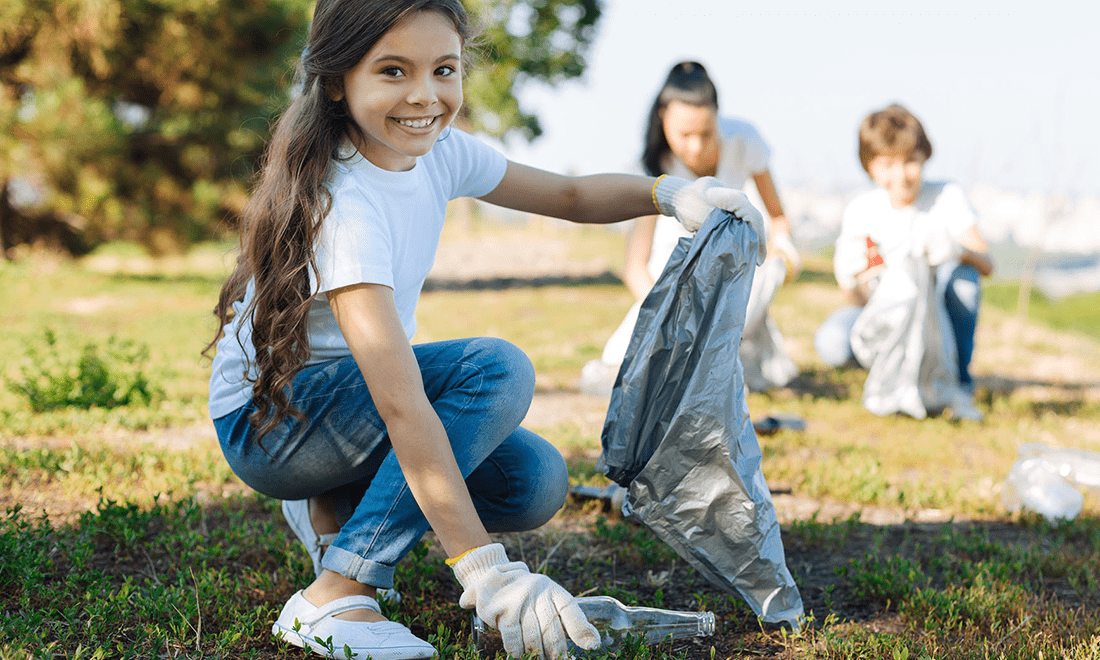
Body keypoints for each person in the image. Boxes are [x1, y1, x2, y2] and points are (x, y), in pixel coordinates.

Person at [204, 3, 766, 659]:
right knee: (495, 370)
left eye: (444, 69)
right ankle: (335, 591)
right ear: (336, 81)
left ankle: (336, 503)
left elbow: (569, 198)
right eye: (393, 71)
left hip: (340, 412)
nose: (424, 95)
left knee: (534, 480)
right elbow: (400, 402)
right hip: (273, 424)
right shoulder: (346, 201)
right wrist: (486, 574)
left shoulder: (439, 152)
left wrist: (670, 194)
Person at [580, 61, 801, 396]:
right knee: (621, 369)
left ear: (718, 118)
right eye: (685, 135)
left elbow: (777, 216)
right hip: (672, 284)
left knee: (759, 280)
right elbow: (635, 268)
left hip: (733, 277)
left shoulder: (743, 138)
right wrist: (670, 311)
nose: (696, 147)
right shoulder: (653, 168)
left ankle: (715, 354)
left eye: (706, 134)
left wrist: (784, 247)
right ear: (662, 118)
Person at [813, 103, 994, 418]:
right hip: (883, 317)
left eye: (910, 161)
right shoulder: (862, 210)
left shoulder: (946, 197)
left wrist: (956, 250)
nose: (901, 175)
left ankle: (958, 380)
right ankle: (891, 374)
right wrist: (853, 277)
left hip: (938, 318)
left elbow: (986, 263)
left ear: (924, 157)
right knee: (832, 343)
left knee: (965, 280)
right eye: (887, 164)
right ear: (870, 167)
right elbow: (855, 300)